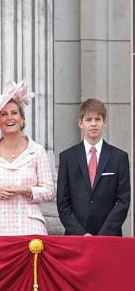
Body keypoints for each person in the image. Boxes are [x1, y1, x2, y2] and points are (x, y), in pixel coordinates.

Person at [0, 81, 56, 236]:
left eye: (14, 113)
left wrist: (26, 189)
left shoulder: (37, 151)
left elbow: (50, 191)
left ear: (22, 119)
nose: (9, 118)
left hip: (31, 226)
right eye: (4, 114)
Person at [56, 99, 130, 236]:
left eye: (98, 119)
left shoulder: (119, 157)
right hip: (76, 237)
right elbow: (63, 202)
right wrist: (81, 234)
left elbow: (123, 201)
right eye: (89, 119)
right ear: (81, 123)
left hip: (109, 237)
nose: (94, 124)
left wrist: (104, 234)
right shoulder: (67, 157)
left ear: (105, 122)